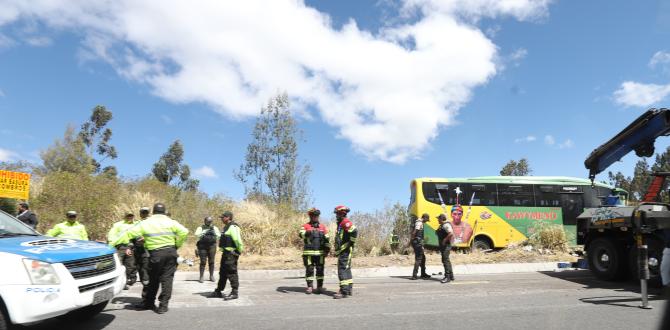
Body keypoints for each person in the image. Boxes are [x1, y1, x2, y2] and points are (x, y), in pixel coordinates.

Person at [113, 203, 188, 314]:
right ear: (164, 211)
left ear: (153, 212)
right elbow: (184, 232)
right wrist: (177, 244)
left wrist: (113, 243)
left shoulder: (146, 223)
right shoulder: (171, 222)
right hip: (171, 253)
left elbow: (129, 234)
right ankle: (163, 306)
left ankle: (149, 303)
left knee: (153, 279)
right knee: (167, 279)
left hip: (156, 254)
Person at [211, 211, 244, 301]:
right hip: (226, 253)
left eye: (223, 217)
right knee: (222, 273)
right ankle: (218, 291)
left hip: (231, 254)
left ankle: (234, 292)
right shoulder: (226, 227)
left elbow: (238, 240)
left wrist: (239, 251)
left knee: (231, 273)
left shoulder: (233, 227)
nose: (221, 219)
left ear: (228, 217)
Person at [299, 208, 330, 294]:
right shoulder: (305, 226)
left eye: (316, 216)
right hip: (308, 253)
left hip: (320, 254)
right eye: (313, 216)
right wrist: (309, 231)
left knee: (320, 270)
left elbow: (327, 238)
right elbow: (301, 234)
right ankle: (310, 287)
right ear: (310, 216)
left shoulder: (322, 227)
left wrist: (327, 249)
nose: (315, 217)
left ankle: (319, 287)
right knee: (309, 270)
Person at [107, 211, 138, 290]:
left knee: (130, 266)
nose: (130, 217)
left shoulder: (136, 224)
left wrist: (130, 247)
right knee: (119, 266)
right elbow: (111, 235)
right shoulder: (118, 225)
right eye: (128, 216)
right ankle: (120, 283)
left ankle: (125, 281)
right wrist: (111, 245)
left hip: (130, 247)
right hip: (119, 247)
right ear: (125, 216)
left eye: (131, 216)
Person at [333, 205, 357, 299]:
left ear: (341, 214)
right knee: (346, 269)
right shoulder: (340, 223)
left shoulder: (345, 222)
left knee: (342, 269)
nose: (336, 216)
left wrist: (350, 242)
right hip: (343, 250)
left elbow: (354, 231)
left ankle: (344, 291)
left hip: (345, 250)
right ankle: (349, 289)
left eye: (337, 214)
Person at [195, 216, 220, 283]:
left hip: (212, 246)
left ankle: (211, 276)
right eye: (208, 221)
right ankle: (201, 276)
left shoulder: (214, 228)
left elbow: (219, 235)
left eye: (210, 221)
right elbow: (197, 234)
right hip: (202, 246)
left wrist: (214, 234)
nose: (209, 222)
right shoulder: (200, 227)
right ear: (205, 221)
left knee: (211, 261)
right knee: (203, 262)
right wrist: (204, 232)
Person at [133, 207, 151, 287]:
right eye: (143, 212)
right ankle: (144, 282)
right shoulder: (136, 223)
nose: (144, 214)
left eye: (146, 212)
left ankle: (146, 283)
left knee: (145, 267)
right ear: (140, 214)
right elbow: (131, 234)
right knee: (139, 267)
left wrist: (145, 238)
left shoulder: (152, 223)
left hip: (147, 249)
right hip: (137, 248)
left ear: (148, 213)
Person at [411, 213, 431, 280]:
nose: (426, 221)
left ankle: (423, 273)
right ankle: (414, 275)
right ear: (424, 218)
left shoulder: (420, 223)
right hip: (417, 242)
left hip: (418, 242)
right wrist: (414, 240)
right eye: (426, 220)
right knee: (419, 259)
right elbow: (414, 232)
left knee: (423, 258)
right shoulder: (419, 223)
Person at [436, 213, 455, 283]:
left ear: (441, 219)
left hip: (446, 245)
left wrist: (444, 240)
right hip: (443, 246)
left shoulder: (446, 225)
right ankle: (451, 276)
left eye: (438, 218)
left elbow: (451, 233)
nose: (437, 220)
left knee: (445, 260)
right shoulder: (442, 225)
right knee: (446, 260)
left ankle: (447, 277)